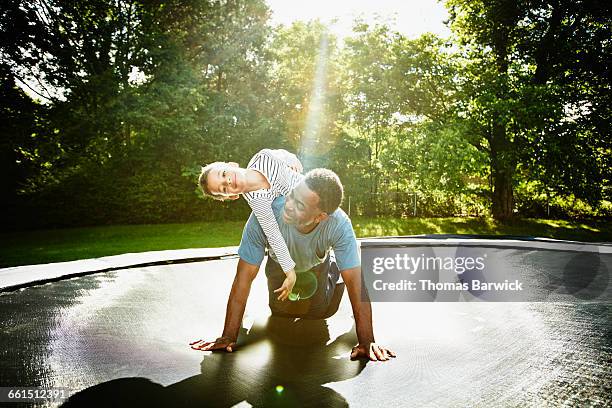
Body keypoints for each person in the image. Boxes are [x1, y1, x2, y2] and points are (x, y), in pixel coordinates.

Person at [191, 168, 396, 361]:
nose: (289, 205)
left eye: (300, 206)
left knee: (319, 312)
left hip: (316, 266)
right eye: (292, 196)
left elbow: (356, 282)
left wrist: (367, 341)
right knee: (281, 311)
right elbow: (243, 278)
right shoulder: (265, 214)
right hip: (279, 265)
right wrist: (227, 336)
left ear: (320, 217)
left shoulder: (338, 225)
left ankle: (334, 271)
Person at [199, 149, 303, 301]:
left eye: (223, 174)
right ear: (232, 196)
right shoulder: (257, 201)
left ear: (232, 164)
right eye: (223, 189)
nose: (227, 181)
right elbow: (273, 234)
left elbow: (283, 154)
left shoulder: (263, 157)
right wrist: (290, 273)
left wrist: (293, 160)